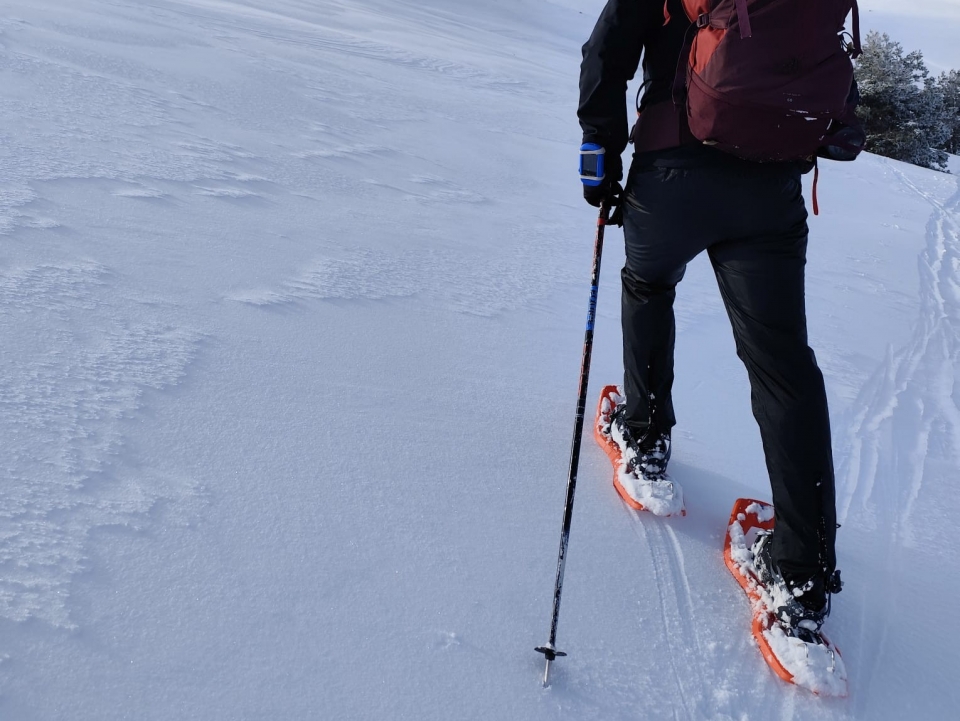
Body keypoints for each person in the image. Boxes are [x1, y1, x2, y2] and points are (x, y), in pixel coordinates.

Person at [579, 0, 842, 637]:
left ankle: (642, 437)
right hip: (771, 186)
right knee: (783, 366)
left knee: (647, 284)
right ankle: (801, 575)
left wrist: (599, 155)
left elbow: (606, 52)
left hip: (673, 169)